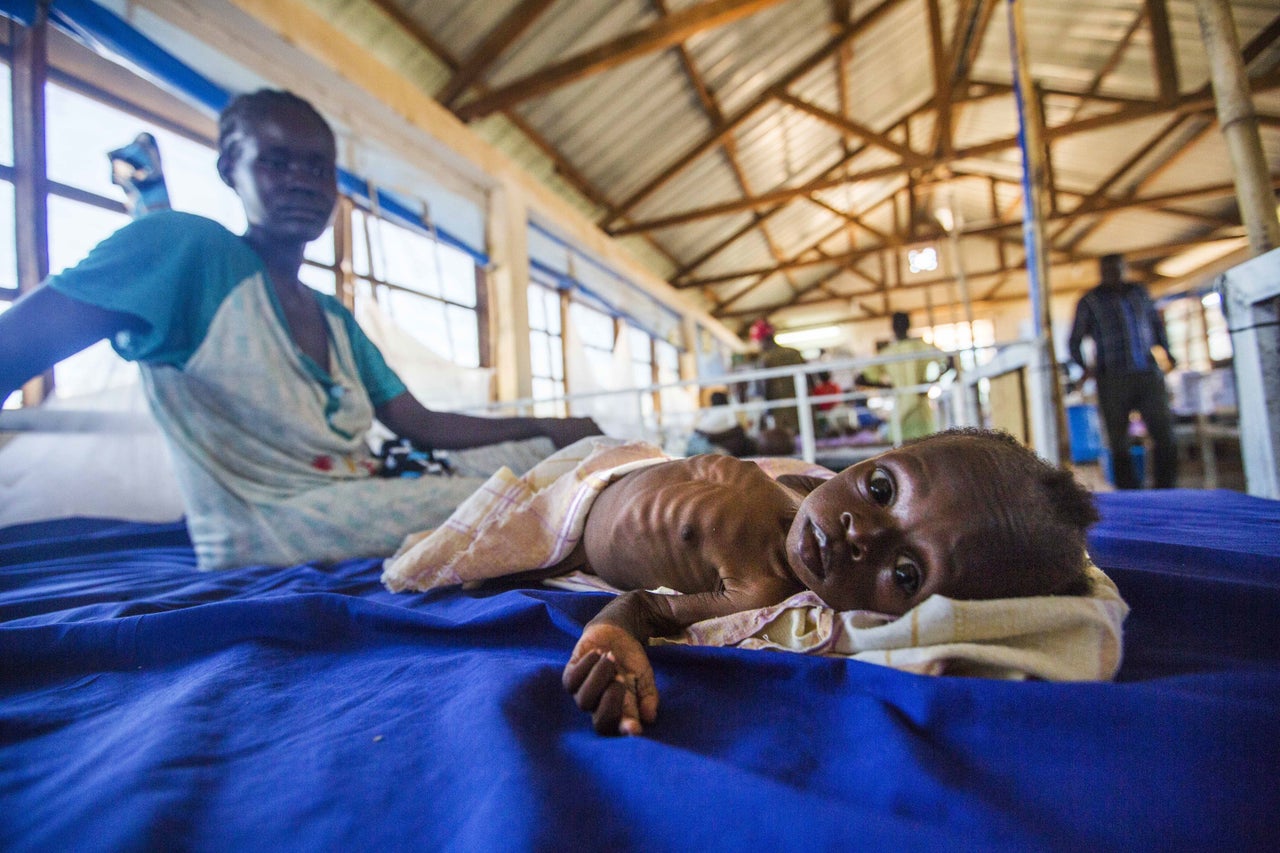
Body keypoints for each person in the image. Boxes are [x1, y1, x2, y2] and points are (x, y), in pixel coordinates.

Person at [0, 88, 599, 570]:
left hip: (362, 488)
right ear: (230, 170)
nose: (302, 182)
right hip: (266, 521)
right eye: (275, 162)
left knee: (566, 456)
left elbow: (418, 424)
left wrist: (546, 426)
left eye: (318, 167)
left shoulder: (333, 317)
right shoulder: (181, 249)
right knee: (536, 500)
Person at [548, 428, 1099, 734]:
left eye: (906, 573)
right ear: (881, 455)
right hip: (614, 461)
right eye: (881, 488)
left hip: (574, 516)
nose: (862, 533)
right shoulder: (803, 483)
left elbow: (646, 610)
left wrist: (612, 635)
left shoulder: (761, 592)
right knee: (563, 434)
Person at [1068, 254, 1177, 489]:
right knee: (1118, 441)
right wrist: (1086, 368)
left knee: (1164, 434)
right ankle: (1129, 491)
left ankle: (1165, 487)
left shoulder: (1140, 293)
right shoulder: (1090, 301)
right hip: (1112, 379)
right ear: (1101, 272)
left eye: (1117, 270)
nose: (1113, 275)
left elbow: (1157, 327)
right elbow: (1074, 340)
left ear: (1124, 269)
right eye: (1108, 271)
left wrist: (1168, 353)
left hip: (1147, 373)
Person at [856, 312, 950, 441]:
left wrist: (890, 386)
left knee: (900, 446)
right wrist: (931, 381)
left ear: (892, 327)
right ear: (909, 325)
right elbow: (950, 361)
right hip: (921, 407)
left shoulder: (887, 353)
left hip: (900, 408)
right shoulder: (922, 347)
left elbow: (861, 379)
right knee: (925, 443)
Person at [750, 318, 806, 437]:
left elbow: (760, 390)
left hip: (780, 414)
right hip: (803, 409)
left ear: (761, 340)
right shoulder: (794, 353)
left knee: (784, 443)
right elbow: (810, 381)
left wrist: (765, 412)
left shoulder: (764, 359)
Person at [686, 390, 757, 457]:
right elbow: (737, 428)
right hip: (703, 441)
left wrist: (711, 436)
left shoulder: (708, 412)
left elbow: (697, 429)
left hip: (700, 441)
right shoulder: (726, 410)